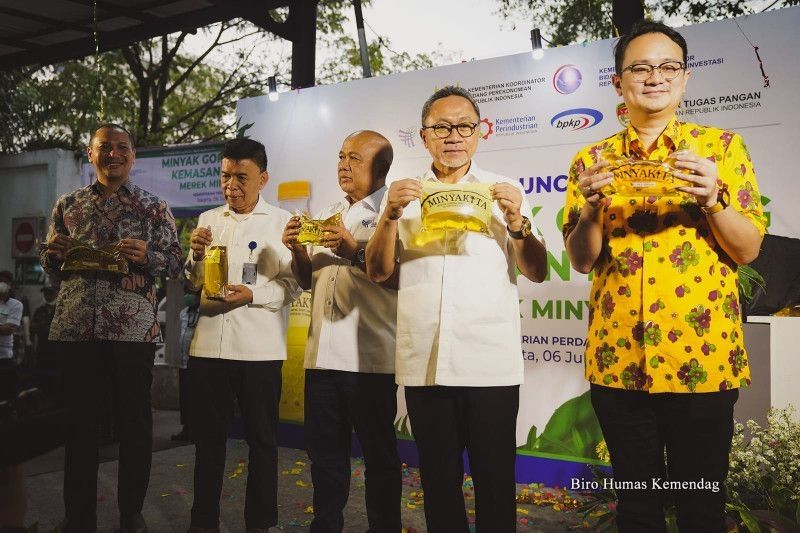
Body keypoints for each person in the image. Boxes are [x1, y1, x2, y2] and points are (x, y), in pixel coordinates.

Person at [563, 21, 766, 532]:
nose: (655, 77)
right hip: (619, 359)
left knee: (702, 505)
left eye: (668, 66)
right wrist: (589, 212)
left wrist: (714, 200)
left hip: (703, 355)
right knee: (637, 506)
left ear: (685, 77)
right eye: (641, 67)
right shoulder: (591, 160)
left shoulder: (722, 150)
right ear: (618, 82)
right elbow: (582, 261)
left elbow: (747, 249)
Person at [365, 86, 548, 531]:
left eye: (464, 126)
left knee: (495, 482)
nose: (453, 136)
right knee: (439, 483)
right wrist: (389, 216)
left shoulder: (504, 192)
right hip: (426, 362)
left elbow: (538, 271)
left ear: (479, 133)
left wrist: (518, 225)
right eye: (441, 127)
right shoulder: (404, 196)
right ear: (424, 136)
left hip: (490, 365)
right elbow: (376, 270)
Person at [39, 123, 183, 533]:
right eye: (105, 148)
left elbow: (176, 264)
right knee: (79, 424)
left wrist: (148, 255)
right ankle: (78, 516)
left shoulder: (154, 208)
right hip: (76, 328)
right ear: (91, 154)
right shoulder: (68, 205)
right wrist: (53, 253)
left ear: (133, 156)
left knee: (135, 424)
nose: (114, 154)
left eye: (122, 148)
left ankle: (130, 514)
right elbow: (48, 263)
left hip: (131, 330)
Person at [282, 131, 402, 532]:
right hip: (321, 360)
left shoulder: (396, 212)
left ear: (381, 168)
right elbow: (305, 281)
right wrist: (298, 250)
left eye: (354, 158)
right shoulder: (329, 212)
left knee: (380, 459)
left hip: (371, 360)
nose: (343, 165)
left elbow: (401, 278)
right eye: (340, 156)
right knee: (324, 459)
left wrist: (355, 250)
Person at [184, 138, 301, 533]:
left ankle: (259, 524)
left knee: (263, 442)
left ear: (262, 178)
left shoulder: (282, 223)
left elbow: (293, 287)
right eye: (224, 176)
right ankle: (203, 523)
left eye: (241, 177)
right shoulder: (208, 219)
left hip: (259, 350)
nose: (231, 185)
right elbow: (192, 281)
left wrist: (254, 293)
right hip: (209, 346)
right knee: (208, 442)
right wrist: (195, 257)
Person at [0, 282, 23, 403]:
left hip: (4, 356)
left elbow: (8, 330)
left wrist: (4, 328)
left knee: (5, 393)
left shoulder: (16, 304)